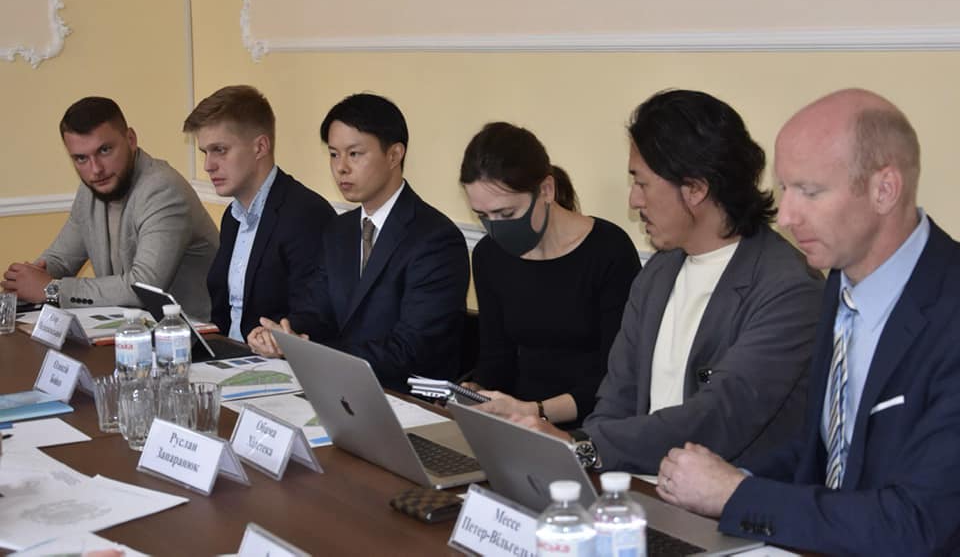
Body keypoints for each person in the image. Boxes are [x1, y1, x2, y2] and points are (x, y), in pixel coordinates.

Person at [658, 89, 960, 555]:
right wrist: (730, 481)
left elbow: (916, 524)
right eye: (784, 188)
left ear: (884, 189)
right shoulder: (840, 280)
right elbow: (825, 451)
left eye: (811, 192)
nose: (786, 215)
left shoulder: (947, 309)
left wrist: (736, 494)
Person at [513, 89, 823, 474]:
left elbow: (716, 419)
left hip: (725, 502)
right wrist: (588, 468)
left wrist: (586, 447)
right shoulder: (658, 272)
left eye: (642, 183)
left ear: (695, 188)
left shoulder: (790, 289)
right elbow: (616, 398)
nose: (633, 201)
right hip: (637, 487)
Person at [246, 93, 470, 392]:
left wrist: (311, 352)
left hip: (405, 397)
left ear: (394, 155)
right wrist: (282, 334)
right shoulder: (339, 230)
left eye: (354, 154)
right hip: (340, 386)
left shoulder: (436, 239)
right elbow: (316, 310)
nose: (341, 168)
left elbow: (412, 350)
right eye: (333, 154)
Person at [459, 122, 641, 425]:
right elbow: (496, 359)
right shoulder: (489, 256)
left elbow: (616, 378)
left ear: (546, 190)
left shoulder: (608, 250)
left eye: (506, 214)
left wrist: (536, 411)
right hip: (519, 421)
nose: (495, 227)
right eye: (483, 216)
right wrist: (476, 391)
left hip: (593, 425)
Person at [2, 97, 218, 319]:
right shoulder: (91, 190)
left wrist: (52, 290)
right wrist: (24, 282)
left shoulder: (162, 189)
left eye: (104, 150)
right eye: (81, 158)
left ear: (131, 139)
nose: (95, 169)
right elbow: (60, 260)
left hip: (192, 332)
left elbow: (144, 287)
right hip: (133, 328)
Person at [183, 85, 336, 341]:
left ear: (260, 147)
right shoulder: (233, 216)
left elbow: (314, 317)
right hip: (228, 352)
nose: (208, 165)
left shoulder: (306, 215)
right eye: (204, 153)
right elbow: (223, 313)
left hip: (276, 360)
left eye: (220, 150)